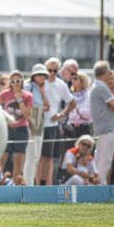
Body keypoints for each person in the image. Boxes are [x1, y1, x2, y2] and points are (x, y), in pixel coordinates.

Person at [35, 57, 75, 185]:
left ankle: (47, 184)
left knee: (50, 157)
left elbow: (72, 102)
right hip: (37, 123)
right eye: (49, 70)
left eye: (55, 70)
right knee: (37, 156)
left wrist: (61, 114)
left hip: (52, 124)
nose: (51, 73)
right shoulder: (36, 83)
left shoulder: (60, 84)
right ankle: (36, 184)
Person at [0, 70, 32, 180]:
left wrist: (19, 99)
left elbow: (27, 114)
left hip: (21, 129)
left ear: (22, 81)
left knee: (18, 161)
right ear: (10, 82)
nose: (15, 83)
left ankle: (16, 185)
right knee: (1, 159)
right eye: (13, 81)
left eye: (18, 80)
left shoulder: (28, 96)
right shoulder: (5, 94)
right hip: (7, 129)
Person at [90, 60, 114, 185]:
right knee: (105, 161)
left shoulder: (97, 85)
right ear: (106, 73)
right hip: (107, 129)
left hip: (102, 129)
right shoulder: (101, 87)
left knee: (99, 160)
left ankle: (97, 186)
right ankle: (99, 187)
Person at [22, 63, 49, 186]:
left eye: (44, 75)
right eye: (39, 75)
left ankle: (29, 181)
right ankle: (28, 183)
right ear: (33, 76)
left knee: (37, 154)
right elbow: (23, 103)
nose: (42, 77)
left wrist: (43, 93)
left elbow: (47, 107)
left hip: (40, 117)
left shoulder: (41, 89)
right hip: (32, 117)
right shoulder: (28, 87)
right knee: (32, 154)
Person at [68, 71, 93, 137]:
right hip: (70, 128)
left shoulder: (89, 94)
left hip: (85, 127)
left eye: (75, 78)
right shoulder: (70, 94)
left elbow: (89, 112)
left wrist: (78, 117)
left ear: (82, 81)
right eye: (72, 79)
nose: (73, 80)